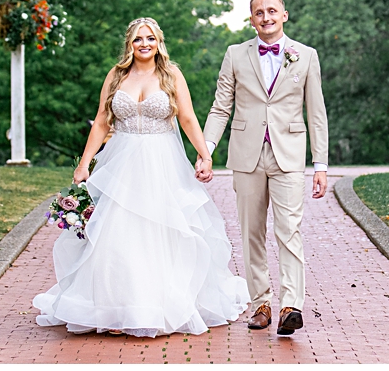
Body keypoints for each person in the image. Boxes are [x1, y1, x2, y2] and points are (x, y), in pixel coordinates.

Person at [33, 17, 248, 337]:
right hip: (120, 162)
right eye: (137, 39)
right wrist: (84, 164)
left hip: (161, 163)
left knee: (160, 233)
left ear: (159, 41)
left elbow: (187, 118)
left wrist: (204, 155)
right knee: (116, 234)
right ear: (129, 44)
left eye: (149, 38)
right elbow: (102, 122)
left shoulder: (171, 74)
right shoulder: (117, 75)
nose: (143, 43)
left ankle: (157, 305)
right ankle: (115, 308)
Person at [201, 0, 329, 336]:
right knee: (251, 232)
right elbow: (220, 107)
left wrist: (320, 164)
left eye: (272, 10)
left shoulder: (305, 55)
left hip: (288, 155)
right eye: (259, 12)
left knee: (289, 230)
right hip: (247, 155)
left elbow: (316, 112)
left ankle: (291, 305)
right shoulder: (234, 54)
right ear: (252, 19)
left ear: (284, 14)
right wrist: (206, 148)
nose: (266, 17)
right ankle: (261, 303)